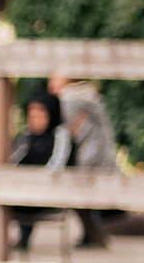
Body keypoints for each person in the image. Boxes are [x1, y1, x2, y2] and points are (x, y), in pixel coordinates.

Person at [51, 72, 118, 247]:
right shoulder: (91, 99)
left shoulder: (69, 99)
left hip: (89, 159)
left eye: (56, 78)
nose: (51, 82)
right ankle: (93, 235)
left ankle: (95, 235)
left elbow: (73, 132)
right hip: (101, 157)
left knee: (82, 198)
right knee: (85, 201)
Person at [9, 91, 71, 250]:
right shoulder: (26, 136)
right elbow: (14, 161)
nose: (34, 120)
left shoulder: (60, 135)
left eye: (40, 115)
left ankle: (23, 240)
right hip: (23, 188)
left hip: (50, 190)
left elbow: (57, 164)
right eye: (32, 115)